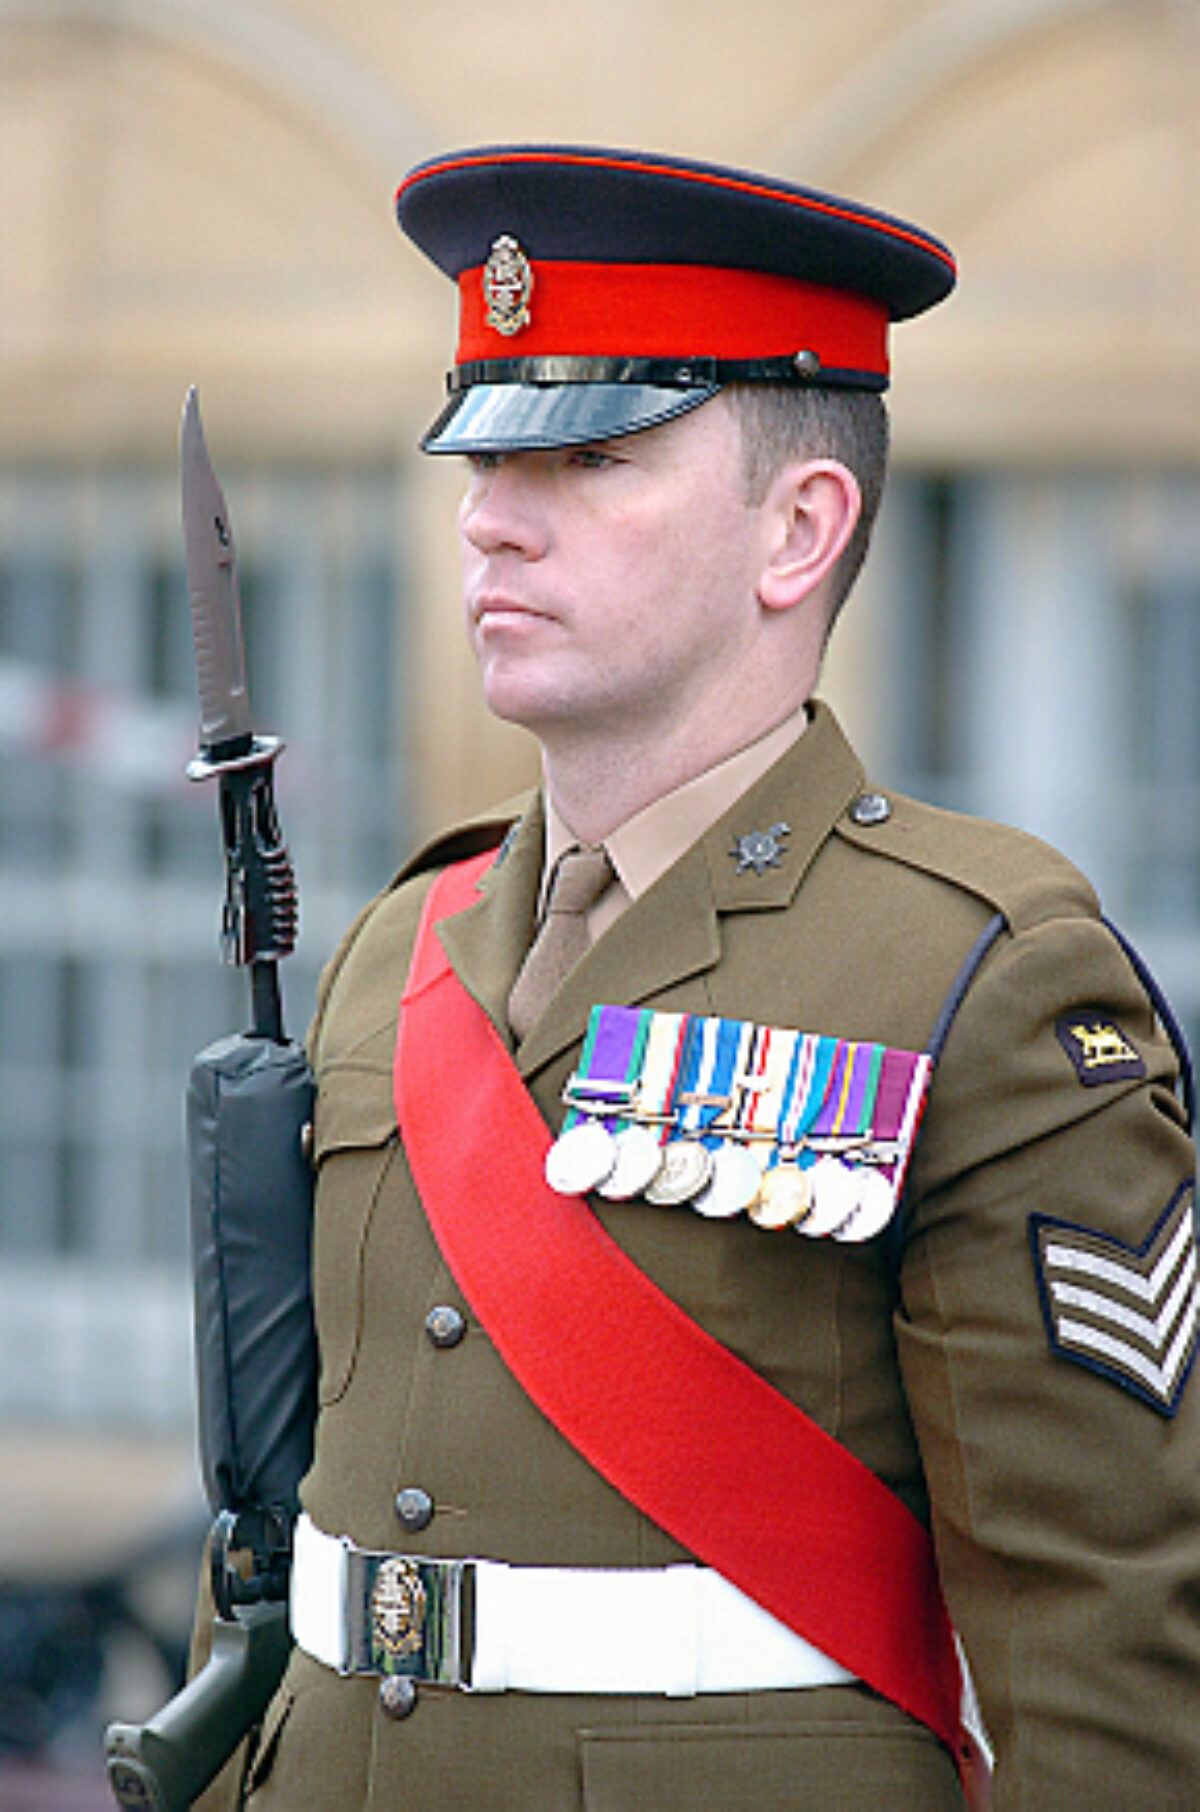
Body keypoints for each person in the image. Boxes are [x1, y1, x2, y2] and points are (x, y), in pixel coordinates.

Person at [202, 145, 1200, 1811]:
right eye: (481, 454)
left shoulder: (985, 970)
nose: (488, 515)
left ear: (798, 530)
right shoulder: (405, 940)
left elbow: (1107, 1650)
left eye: (588, 455)